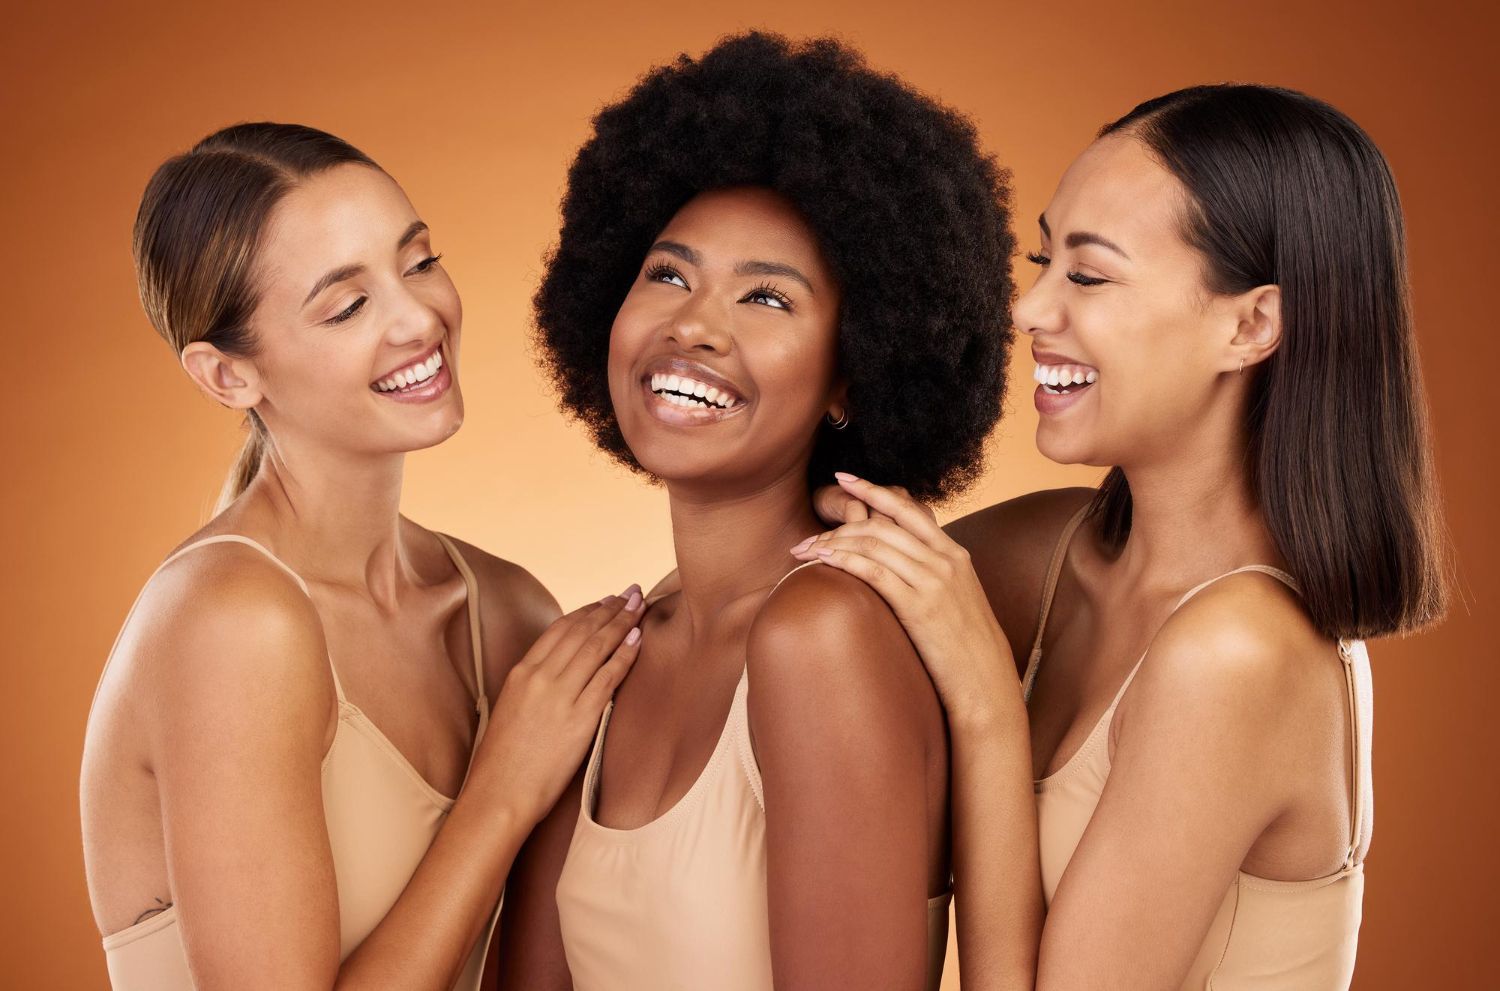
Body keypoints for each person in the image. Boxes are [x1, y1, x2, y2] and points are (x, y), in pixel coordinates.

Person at [803, 84, 1449, 988]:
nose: (1029, 310)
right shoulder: (1053, 551)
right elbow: (805, 573)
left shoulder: (1241, 653)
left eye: (1089, 274)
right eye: (1041, 259)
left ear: (1251, 323)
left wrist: (987, 704)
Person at [496, 33, 1030, 991]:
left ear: (850, 377)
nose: (695, 323)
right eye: (667, 273)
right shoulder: (606, 656)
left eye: (769, 298)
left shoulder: (822, 634)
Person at [80, 123, 642, 990]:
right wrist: (502, 788)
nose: (420, 318)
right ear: (228, 376)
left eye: (419, 262)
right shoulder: (231, 622)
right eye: (347, 306)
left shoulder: (506, 610)